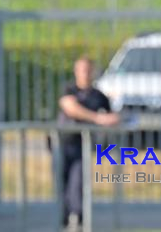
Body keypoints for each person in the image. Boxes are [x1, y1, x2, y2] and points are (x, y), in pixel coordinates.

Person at [57, 56, 120, 230]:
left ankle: (78, 218)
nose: (84, 73)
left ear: (92, 72)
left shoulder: (99, 96)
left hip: (81, 146)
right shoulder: (68, 89)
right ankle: (62, 219)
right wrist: (97, 118)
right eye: (81, 69)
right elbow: (69, 107)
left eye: (87, 70)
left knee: (78, 182)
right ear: (76, 71)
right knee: (61, 183)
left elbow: (111, 117)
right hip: (61, 144)